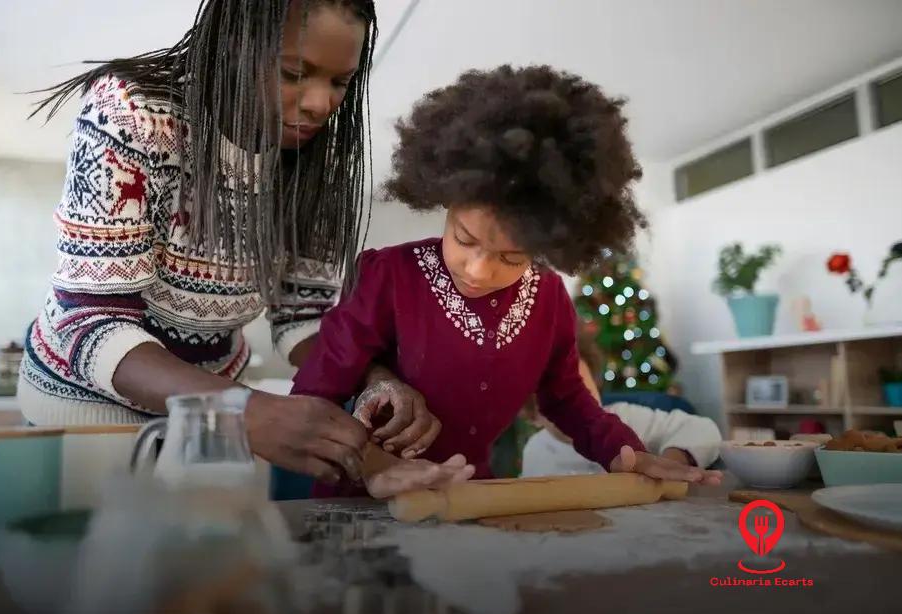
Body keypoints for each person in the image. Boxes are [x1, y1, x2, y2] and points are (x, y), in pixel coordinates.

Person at [18, 0, 448, 487]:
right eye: (293, 73)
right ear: (234, 46)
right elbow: (91, 321)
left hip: (213, 416)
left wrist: (377, 380)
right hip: (89, 413)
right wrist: (243, 411)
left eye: (340, 82)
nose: (320, 104)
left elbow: (302, 318)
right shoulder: (134, 113)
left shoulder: (315, 157)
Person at [292, 65, 722, 498]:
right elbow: (313, 396)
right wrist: (376, 465)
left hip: (466, 501)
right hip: (361, 506)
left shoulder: (550, 298)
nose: (477, 270)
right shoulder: (388, 276)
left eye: (510, 257)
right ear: (444, 196)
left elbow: (568, 401)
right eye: (464, 238)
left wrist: (628, 454)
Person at [521, 331, 722, 477]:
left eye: (581, 388)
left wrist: (670, 461)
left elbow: (704, 429)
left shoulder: (628, 418)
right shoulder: (535, 452)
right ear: (533, 417)